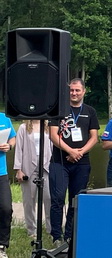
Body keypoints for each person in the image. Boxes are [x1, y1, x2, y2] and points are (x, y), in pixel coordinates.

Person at [49, 78, 99, 246]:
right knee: (58, 198)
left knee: (75, 200)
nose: (74, 93)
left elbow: (94, 137)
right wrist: (70, 151)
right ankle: (56, 236)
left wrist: (79, 153)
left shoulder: (90, 111)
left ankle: (70, 236)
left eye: (77, 90)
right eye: (71, 90)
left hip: (81, 163)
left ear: (84, 91)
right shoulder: (59, 109)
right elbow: (53, 135)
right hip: (59, 161)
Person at [13, 120, 52, 238]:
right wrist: (18, 169)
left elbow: (52, 147)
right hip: (28, 167)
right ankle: (32, 230)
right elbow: (18, 149)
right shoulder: (23, 127)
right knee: (29, 201)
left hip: (46, 167)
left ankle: (51, 230)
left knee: (49, 199)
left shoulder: (49, 126)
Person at [0, 110, 16, 258]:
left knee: (6, 208)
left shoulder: (4, 118)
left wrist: (9, 146)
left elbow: (12, 138)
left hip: (1, 173)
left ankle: (2, 245)